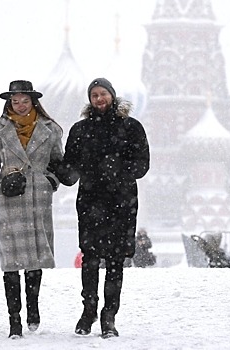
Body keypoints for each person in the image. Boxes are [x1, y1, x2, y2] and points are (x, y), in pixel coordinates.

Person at [51, 77, 150, 338]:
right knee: (90, 259)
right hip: (91, 202)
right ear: (90, 99)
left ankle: (109, 315)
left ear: (112, 96)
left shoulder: (130, 127)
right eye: (94, 95)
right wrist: (56, 167)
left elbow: (142, 164)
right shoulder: (80, 130)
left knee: (115, 261)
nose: (99, 99)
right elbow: (71, 170)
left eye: (103, 94)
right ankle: (89, 310)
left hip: (121, 202)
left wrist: (119, 168)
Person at [0, 80, 64, 338]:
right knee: (11, 262)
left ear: (33, 101)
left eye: (23, 100)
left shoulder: (50, 130)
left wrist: (51, 181)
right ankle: (14, 320)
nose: (19, 105)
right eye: (14, 101)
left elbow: (58, 163)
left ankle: (33, 307)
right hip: (10, 199)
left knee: (35, 258)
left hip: (38, 198)